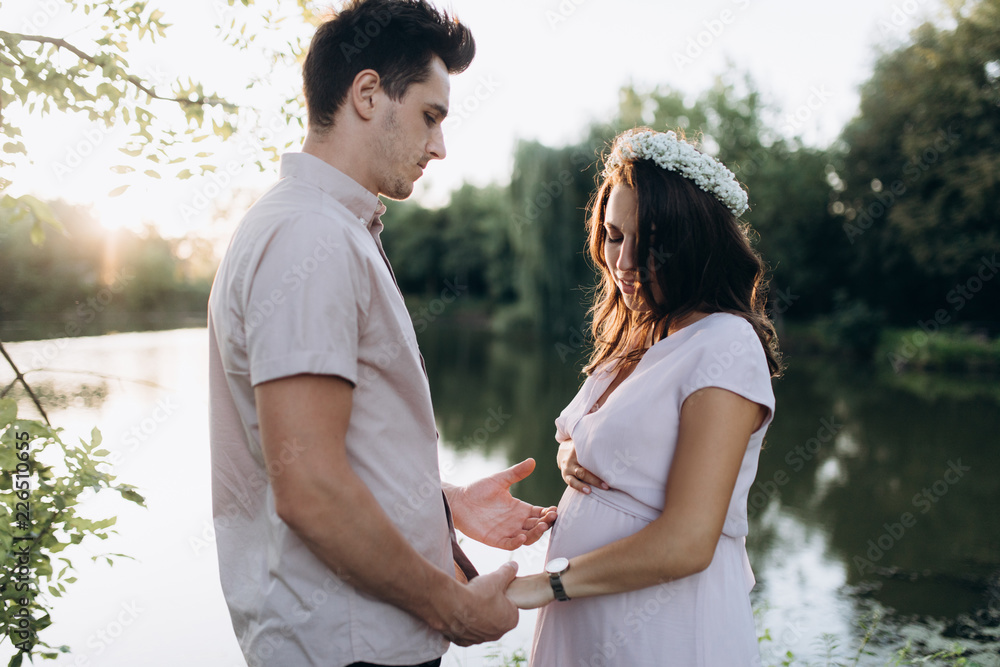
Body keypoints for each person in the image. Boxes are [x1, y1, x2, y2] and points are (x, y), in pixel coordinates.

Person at [206, 2, 556, 665]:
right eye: (431, 115)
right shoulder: (310, 236)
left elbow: (330, 455)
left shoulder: (326, 228)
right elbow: (309, 486)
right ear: (367, 94)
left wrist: (442, 505)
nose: (441, 145)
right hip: (347, 648)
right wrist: (455, 606)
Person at [506, 128, 783, 666]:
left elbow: (687, 540)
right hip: (587, 615)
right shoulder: (640, 335)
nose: (624, 262)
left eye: (650, 240)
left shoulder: (725, 343)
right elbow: (597, 435)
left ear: (696, 240)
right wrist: (570, 452)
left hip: (661, 626)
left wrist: (545, 585)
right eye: (613, 235)